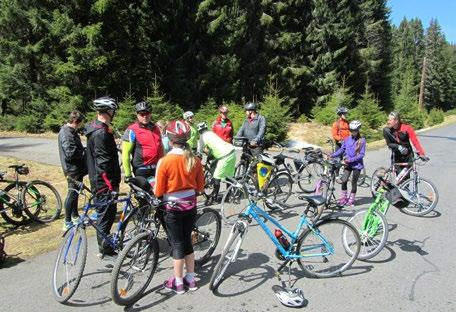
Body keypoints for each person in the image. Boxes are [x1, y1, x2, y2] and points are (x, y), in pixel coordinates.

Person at [154, 120, 205, 294]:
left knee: (177, 245)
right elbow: (200, 187)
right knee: (187, 242)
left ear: (169, 139)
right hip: (190, 206)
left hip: (172, 208)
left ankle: (178, 283)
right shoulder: (195, 160)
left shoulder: (165, 161)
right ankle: (191, 280)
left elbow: (158, 190)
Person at [84, 96, 121, 258]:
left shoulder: (97, 129)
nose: (113, 113)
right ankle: (106, 250)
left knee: (105, 215)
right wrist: (111, 187)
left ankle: (105, 246)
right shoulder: (101, 133)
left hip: (100, 181)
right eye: (112, 110)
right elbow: (103, 164)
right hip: (104, 183)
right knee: (106, 216)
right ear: (108, 111)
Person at [58, 110, 87, 230]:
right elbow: (70, 152)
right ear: (75, 121)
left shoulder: (71, 131)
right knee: (72, 194)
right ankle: (67, 221)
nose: (80, 126)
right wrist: (84, 152)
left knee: (75, 193)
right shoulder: (66, 133)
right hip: (71, 169)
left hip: (76, 168)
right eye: (79, 123)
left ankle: (75, 216)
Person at [122, 101, 163, 183]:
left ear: (150, 114)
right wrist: (128, 174)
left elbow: (161, 148)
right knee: (145, 194)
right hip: (141, 170)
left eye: (147, 113)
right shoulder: (131, 130)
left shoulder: (156, 128)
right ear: (137, 115)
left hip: (157, 168)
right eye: (142, 114)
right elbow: (125, 153)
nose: (145, 116)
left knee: (160, 195)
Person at [197, 122, 236, 205]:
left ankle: (214, 198)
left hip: (224, 156)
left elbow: (200, 152)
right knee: (229, 176)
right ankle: (228, 197)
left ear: (199, 131)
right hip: (231, 151)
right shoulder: (211, 133)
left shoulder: (202, 137)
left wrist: (201, 161)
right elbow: (215, 146)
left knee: (216, 177)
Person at [330, 120, 366, 207]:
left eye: (355, 131)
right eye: (351, 131)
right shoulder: (347, 139)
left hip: (357, 165)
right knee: (344, 180)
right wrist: (332, 155)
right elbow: (342, 149)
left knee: (354, 182)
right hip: (348, 164)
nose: (353, 132)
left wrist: (350, 160)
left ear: (358, 130)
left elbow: (361, 154)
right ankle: (343, 198)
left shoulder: (362, 140)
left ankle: (351, 200)